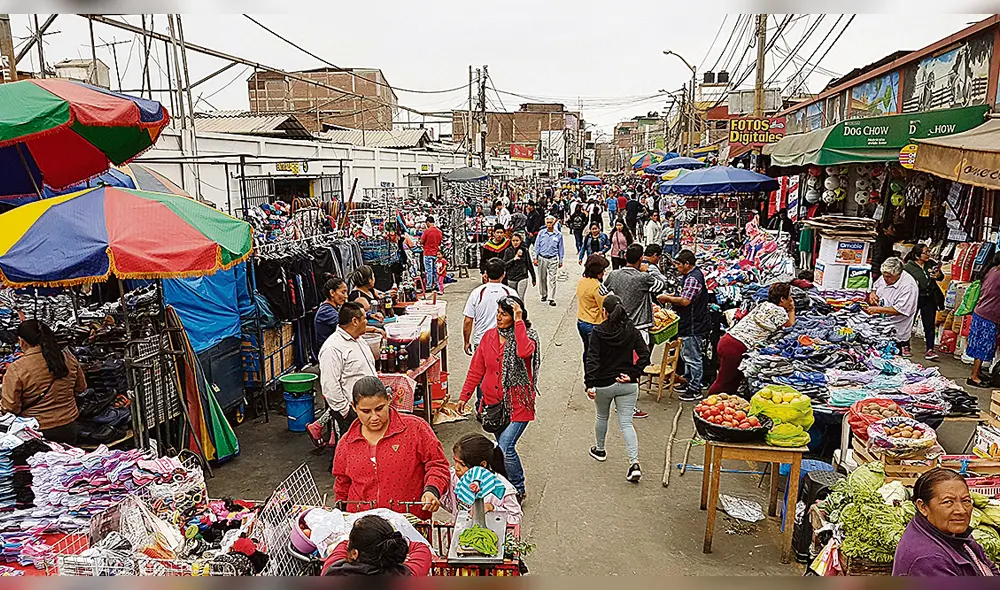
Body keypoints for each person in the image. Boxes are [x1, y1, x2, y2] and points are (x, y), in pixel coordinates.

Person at [333, 376, 449, 521]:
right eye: (366, 411)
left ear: (389, 400)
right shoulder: (347, 443)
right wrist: (339, 516)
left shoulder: (415, 428)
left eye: (379, 408)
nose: (374, 417)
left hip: (411, 521)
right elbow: (342, 484)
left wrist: (432, 490)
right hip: (364, 526)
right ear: (354, 407)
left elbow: (437, 464)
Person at [458, 296, 540, 501]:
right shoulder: (488, 337)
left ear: (515, 316)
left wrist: (519, 321)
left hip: (519, 403)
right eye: (498, 313)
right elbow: (476, 369)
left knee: (505, 446)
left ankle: (518, 487)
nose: (499, 318)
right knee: (501, 449)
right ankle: (503, 483)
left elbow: (523, 351)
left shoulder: (528, 336)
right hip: (493, 404)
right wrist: (464, 396)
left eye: (504, 314)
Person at [585, 295, 650, 483]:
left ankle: (600, 449)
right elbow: (644, 355)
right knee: (626, 423)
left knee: (602, 417)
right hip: (627, 385)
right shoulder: (632, 331)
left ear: (604, 312)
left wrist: (589, 383)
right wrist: (634, 373)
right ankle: (634, 463)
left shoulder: (598, 332)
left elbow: (592, 358)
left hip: (603, 384)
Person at [600, 244, 668, 419]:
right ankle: (628, 406)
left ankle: (618, 401)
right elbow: (661, 285)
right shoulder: (642, 278)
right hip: (637, 330)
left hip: (616, 326)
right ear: (640, 260)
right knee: (634, 368)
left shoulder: (614, 274)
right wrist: (651, 270)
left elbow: (602, 290)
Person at [893, 468, 999, 576]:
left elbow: (989, 567)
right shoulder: (927, 560)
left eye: (966, 500)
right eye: (948, 502)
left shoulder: (954, 533)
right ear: (923, 507)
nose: (961, 510)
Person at [1, 320, 86, 444]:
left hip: (36, 430)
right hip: (69, 425)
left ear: (21, 341)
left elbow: (10, 407)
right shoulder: (68, 358)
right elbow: (81, 388)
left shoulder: (17, 368)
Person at [709, 282, 796, 398]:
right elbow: (790, 326)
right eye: (789, 296)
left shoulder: (764, 305)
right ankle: (707, 405)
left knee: (734, 379)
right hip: (736, 347)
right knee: (724, 381)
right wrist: (791, 310)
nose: (791, 299)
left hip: (728, 340)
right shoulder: (779, 312)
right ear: (782, 299)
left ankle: (723, 406)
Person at [319, 302, 376, 439]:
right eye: (364, 318)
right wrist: (346, 412)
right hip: (352, 413)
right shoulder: (333, 348)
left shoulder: (359, 340)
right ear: (355, 321)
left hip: (370, 408)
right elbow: (330, 386)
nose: (366, 322)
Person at [660, 249, 709, 402]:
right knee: (686, 355)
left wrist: (667, 298)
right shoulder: (688, 276)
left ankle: (695, 388)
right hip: (688, 322)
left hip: (693, 323)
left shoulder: (693, 278)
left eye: (679, 265)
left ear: (687, 264)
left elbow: (685, 301)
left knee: (692, 356)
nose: (677, 268)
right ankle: (688, 381)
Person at [442, 433, 522, 525]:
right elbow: (449, 503)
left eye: (462, 465)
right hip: (461, 534)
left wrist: (492, 508)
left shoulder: (501, 488)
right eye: (455, 461)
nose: (456, 468)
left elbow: (516, 518)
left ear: (482, 465)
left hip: (492, 536)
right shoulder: (455, 478)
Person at [322, 514, 432, 576]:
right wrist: (397, 543)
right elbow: (421, 549)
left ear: (355, 553)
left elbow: (340, 549)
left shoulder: (333, 572)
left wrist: (350, 540)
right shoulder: (405, 576)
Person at [866, 257, 920, 358]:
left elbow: (900, 310)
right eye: (884, 276)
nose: (885, 279)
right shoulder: (886, 275)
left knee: (890, 358)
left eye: (889, 277)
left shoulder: (909, 287)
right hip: (880, 327)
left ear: (899, 274)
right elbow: (876, 286)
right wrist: (873, 293)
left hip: (896, 332)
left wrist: (877, 309)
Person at [464, 258, 517, 356]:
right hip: (505, 341)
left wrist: (466, 342)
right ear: (504, 274)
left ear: (486, 274)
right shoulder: (510, 293)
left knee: (482, 370)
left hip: (481, 341)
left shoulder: (477, 293)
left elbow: (468, 320)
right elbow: (518, 318)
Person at [904, 244, 945, 361]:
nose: (928, 254)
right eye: (925, 252)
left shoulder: (931, 264)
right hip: (915, 298)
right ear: (917, 255)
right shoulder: (908, 267)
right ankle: (905, 346)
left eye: (929, 252)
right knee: (909, 322)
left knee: (929, 324)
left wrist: (938, 275)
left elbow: (941, 277)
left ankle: (930, 349)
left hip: (929, 297)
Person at [966, 253, 1000, 388]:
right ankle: (973, 376)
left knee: (979, 344)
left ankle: (977, 372)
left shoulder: (992, 270)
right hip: (988, 315)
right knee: (983, 346)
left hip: (981, 312)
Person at [577, 254, 609, 369]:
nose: (604, 273)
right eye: (602, 270)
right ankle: (593, 380)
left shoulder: (582, 281)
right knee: (596, 355)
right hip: (594, 323)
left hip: (581, 321)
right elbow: (604, 308)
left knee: (587, 351)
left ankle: (587, 378)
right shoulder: (597, 286)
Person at [534, 215, 565, 306]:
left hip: (553, 258)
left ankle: (551, 297)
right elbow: (537, 246)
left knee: (552, 278)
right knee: (542, 277)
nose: (549, 224)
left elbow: (561, 248)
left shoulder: (558, 235)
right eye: (547, 222)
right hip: (542, 257)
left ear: (554, 223)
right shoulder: (541, 233)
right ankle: (544, 294)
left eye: (551, 222)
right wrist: (535, 257)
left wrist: (561, 260)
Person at [314, 276, 348, 354]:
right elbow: (347, 324)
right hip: (330, 353)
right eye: (343, 292)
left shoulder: (334, 308)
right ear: (332, 293)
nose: (346, 296)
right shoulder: (325, 312)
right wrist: (373, 329)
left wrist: (369, 315)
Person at [502, 232, 536, 300]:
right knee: (513, 298)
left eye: (517, 240)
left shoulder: (524, 251)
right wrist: (513, 259)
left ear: (520, 241)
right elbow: (504, 265)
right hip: (511, 278)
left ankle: (522, 310)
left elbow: (529, 264)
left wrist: (533, 277)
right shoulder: (507, 251)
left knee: (520, 298)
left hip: (522, 277)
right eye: (513, 241)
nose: (515, 243)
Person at [420, 216, 444, 294]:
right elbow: (440, 243)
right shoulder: (439, 232)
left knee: (429, 270)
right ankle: (437, 285)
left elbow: (421, 241)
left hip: (427, 253)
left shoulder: (427, 232)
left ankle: (429, 286)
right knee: (435, 270)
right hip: (435, 253)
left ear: (427, 223)